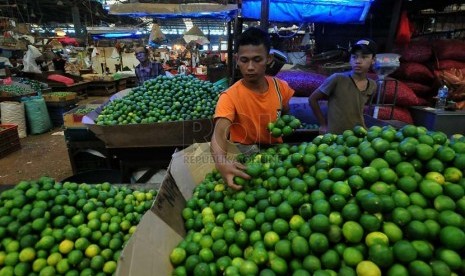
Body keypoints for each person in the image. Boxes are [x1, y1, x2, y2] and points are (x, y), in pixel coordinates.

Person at [210, 27, 295, 190]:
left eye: (257, 59)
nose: (250, 67)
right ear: (236, 59)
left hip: (276, 154)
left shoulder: (281, 88)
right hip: (244, 157)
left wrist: (286, 127)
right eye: (244, 60)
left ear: (269, 59)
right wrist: (221, 162)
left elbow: (286, 113)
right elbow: (219, 133)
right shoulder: (229, 96)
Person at [309, 38, 378, 135]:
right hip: (335, 136)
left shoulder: (372, 85)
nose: (358, 61)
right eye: (354, 57)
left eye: (364, 57)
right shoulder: (338, 79)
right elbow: (312, 99)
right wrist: (323, 124)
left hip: (358, 136)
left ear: (373, 60)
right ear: (350, 59)